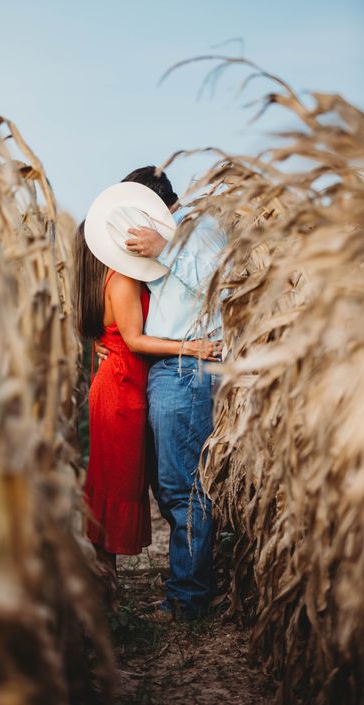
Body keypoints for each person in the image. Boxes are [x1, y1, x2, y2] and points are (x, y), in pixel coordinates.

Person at [96, 166, 225, 620]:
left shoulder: (197, 229)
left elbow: (220, 285)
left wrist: (166, 249)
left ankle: (188, 599)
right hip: (168, 369)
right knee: (170, 484)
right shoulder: (163, 241)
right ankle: (191, 584)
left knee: (182, 486)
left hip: (188, 367)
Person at [73, 221, 215, 586]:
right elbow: (134, 340)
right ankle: (102, 593)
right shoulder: (121, 279)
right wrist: (189, 346)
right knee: (113, 489)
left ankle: (106, 589)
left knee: (118, 485)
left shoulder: (99, 281)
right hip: (122, 390)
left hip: (123, 383)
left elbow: (112, 332)